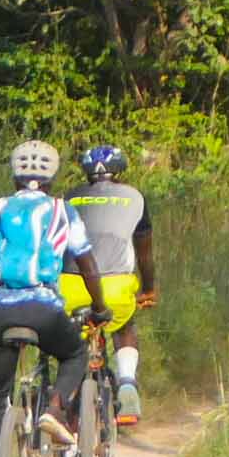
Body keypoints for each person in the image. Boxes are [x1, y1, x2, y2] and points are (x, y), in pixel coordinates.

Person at [0, 138, 106, 457]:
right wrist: (101, 307)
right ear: (53, 176)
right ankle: (55, 409)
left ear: (14, 173)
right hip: (44, 309)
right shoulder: (62, 211)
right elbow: (88, 265)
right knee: (74, 353)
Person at [59, 143, 156, 426]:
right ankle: (127, 384)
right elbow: (145, 255)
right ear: (121, 171)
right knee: (123, 325)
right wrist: (148, 289)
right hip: (115, 285)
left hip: (70, 284)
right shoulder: (134, 198)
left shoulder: (69, 198)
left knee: (73, 336)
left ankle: (69, 395)